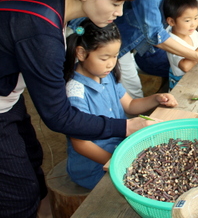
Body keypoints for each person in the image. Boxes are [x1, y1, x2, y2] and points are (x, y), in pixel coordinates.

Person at [0, 0, 151, 218]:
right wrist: (124, 127)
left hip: (9, 95)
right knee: (17, 194)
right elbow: (58, 117)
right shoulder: (43, 36)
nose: (119, 14)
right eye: (116, 3)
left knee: (33, 160)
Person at [64, 19, 178, 189]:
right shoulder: (75, 92)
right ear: (81, 53)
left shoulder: (105, 74)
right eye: (104, 57)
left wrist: (155, 98)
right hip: (95, 167)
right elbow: (81, 144)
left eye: (115, 56)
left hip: (121, 150)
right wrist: (118, 163)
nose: (111, 63)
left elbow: (130, 105)